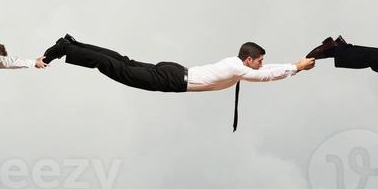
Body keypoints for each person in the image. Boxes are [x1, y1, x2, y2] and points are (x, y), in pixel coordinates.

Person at [40, 35, 316, 131]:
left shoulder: (236, 66)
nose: (261, 64)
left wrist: (295, 66)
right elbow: (265, 76)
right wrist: (295, 68)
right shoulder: (237, 67)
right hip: (171, 78)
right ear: (249, 59)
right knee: (116, 68)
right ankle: (66, 49)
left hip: (174, 73)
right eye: (260, 60)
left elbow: (266, 71)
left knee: (122, 62)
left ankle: (72, 44)